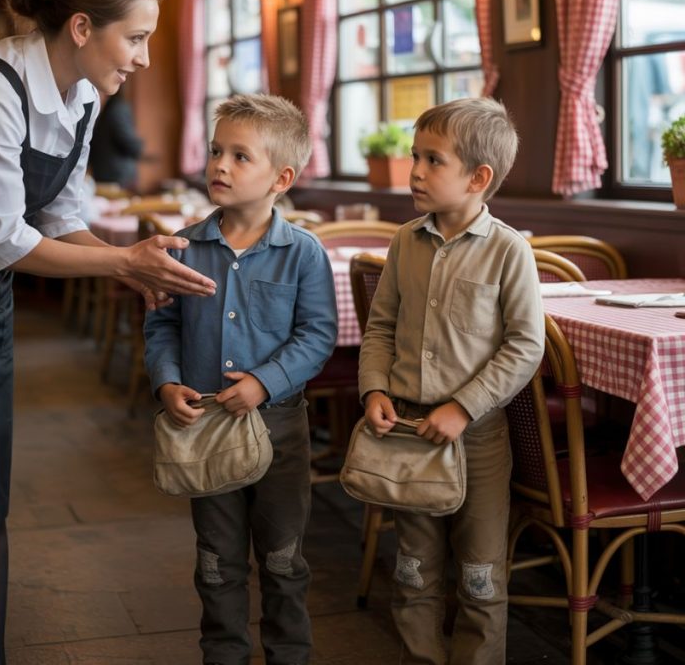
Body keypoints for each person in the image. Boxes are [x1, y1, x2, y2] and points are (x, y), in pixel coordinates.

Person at [0, 0, 216, 665]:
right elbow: (8, 241)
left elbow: (61, 220)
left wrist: (136, 273)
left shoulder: (84, 96)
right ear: (82, 27)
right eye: (136, 37)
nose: (144, 57)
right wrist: (122, 257)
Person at [144, 94, 338, 665]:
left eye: (239, 156)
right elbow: (162, 328)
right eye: (215, 151)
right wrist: (166, 381)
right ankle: (223, 655)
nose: (219, 166)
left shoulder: (304, 255)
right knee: (216, 560)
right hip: (203, 428)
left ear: (281, 177)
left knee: (282, 558)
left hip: (279, 430)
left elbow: (317, 336)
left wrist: (264, 380)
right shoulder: (183, 247)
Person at [358, 97, 544, 665]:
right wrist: (374, 389)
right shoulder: (403, 242)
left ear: (478, 178)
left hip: (480, 438)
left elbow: (526, 345)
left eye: (432, 160)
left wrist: (464, 407)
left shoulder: (510, 251)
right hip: (408, 432)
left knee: (481, 574)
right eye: (415, 156)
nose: (414, 170)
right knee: (413, 569)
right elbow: (380, 327)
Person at [89, 86, 144, 189]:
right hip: (116, 175)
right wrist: (139, 146)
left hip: (105, 172)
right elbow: (127, 141)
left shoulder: (109, 108)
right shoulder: (118, 108)